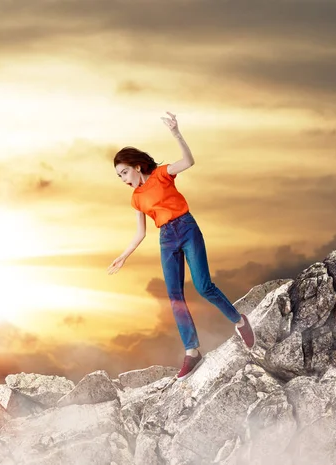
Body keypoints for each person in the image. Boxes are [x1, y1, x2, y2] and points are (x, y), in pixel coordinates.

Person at [107, 111, 255, 380]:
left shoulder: (162, 175)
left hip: (186, 228)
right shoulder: (136, 199)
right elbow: (140, 232)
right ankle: (192, 351)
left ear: (137, 166)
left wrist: (176, 133)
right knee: (174, 297)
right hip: (166, 239)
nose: (123, 179)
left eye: (125, 171)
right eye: (119, 176)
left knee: (203, 286)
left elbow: (189, 161)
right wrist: (123, 256)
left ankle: (239, 321)